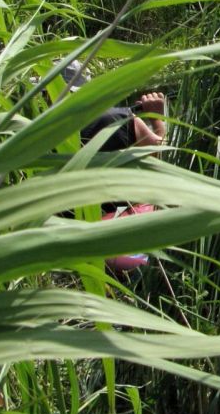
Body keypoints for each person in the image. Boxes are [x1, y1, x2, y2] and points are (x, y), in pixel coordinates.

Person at [60, 60, 167, 273]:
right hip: (109, 217)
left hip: (62, 224)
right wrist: (157, 119)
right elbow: (158, 154)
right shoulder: (119, 118)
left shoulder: (34, 128)